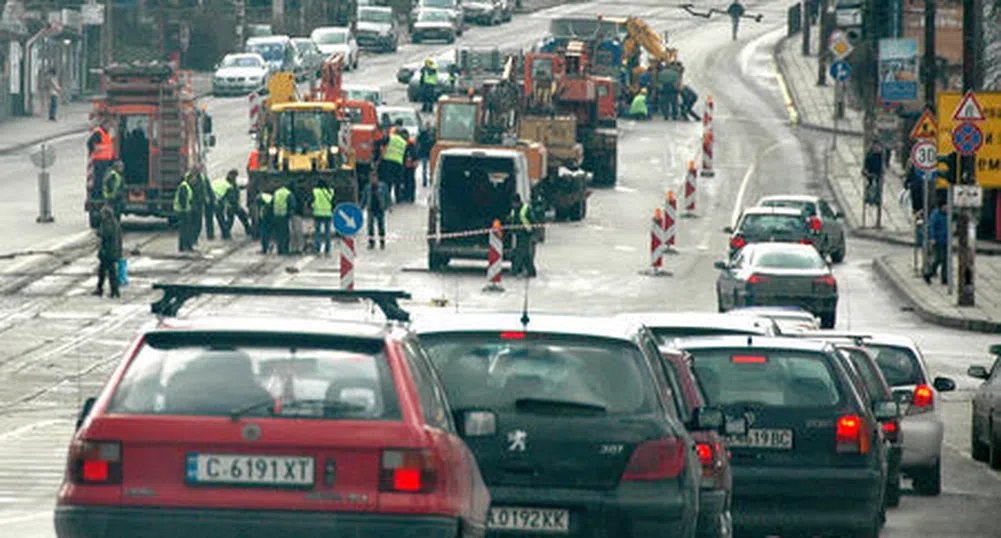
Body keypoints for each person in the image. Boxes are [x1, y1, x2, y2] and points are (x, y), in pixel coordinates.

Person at [212, 170, 251, 239]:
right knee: (239, 217)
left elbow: (237, 187)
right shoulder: (228, 186)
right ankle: (226, 233)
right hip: (227, 204)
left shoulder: (228, 182)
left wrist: (245, 186)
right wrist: (236, 206)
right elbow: (232, 199)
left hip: (222, 202)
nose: (235, 178)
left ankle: (226, 233)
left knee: (231, 219)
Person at [93, 203, 122, 298]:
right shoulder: (115, 222)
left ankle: (112, 291)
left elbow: (105, 234)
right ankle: (109, 290)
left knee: (109, 272)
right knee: (106, 271)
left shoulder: (108, 223)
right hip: (113, 251)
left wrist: (98, 232)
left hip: (108, 252)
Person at [508, 194, 537, 278]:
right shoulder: (514, 210)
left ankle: (517, 271)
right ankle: (530, 272)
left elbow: (533, 221)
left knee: (521, 253)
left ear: (517, 202)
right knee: (524, 254)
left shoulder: (525, 209)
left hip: (526, 234)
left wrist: (534, 233)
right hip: (518, 234)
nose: (513, 205)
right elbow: (513, 221)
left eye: (514, 203)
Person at [360, 172, 390, 250]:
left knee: (381, 226)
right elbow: (364, 198)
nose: (372, 180)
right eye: (371, 178)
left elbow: (387, 197)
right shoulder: (367, 188)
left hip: (380, 209)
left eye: (374, 178)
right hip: (371, 209)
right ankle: (371, 243)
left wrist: (388, 207)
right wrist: (361, 208)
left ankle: (382, 242)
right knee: (370, 227)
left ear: (377, 178)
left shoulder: (383, 186)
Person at [88, 118, 115, 200]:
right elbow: (90, 143)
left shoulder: (106, 134)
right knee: (98, 179)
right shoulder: (98, 133)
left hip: (106, 160)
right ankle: (97, 195)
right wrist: (94, 151)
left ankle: (103, 194)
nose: (109, 127)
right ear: (104, 125)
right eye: (108, 125)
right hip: (99, 160)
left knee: (104, 178)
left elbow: (109, 147)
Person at [923, 199, 948, 285]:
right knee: (938, 258)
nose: (947, 208)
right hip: (938, 240)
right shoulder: (936, 214)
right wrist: (932, 238)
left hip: (946, 240)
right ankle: (929, 273)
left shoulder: (948, 214)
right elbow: (931, 227)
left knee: (946, 260)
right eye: (945, 206)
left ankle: (945, 278)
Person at [380, 126, 407, 203]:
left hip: (387, 161)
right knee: (397, 182)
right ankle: (398, 199)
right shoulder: (404, 142)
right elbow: (404, 155)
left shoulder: (390, 138)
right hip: (398, 163)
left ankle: (387, 198)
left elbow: (382, 144)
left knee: (388, 181)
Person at [173, 172, 196, 252]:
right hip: (183, 212)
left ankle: (184, 247)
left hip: (184, 211)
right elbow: (182, 199)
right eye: (193, 178)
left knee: (185, 230)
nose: (194, 180)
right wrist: (185, 211)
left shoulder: (186, 186)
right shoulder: (184, 186)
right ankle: (185, 247)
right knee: (185, 230)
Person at [311, 179, 335, 256]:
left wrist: (313, 206)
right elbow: (333, 202)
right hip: (328, 214)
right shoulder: (330, 191)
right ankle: (327, 250)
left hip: (317, 214)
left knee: (318, 233)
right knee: (327, 232)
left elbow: (311, 201)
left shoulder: (315, 191)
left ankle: (317, 249)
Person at [272, 183, 296, 255]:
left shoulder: (276, 192)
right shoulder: (289, 194)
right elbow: (292, 204)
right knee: (285, 233)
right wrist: (291, 214)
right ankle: (285, 249)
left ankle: (279, 249)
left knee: (278, 233)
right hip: (284, 216)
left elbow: (272, 202)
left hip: (276, 214)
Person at [417, 120, 435, 187]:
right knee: (425, 168)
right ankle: (426, 181)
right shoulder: (429, 134)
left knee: (429, 168)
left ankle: (429, 180)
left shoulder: (427, 133)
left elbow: (418, 141)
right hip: (426, 152)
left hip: (429, 152)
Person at [403, 131, 419, 202]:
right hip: (406, 165)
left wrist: (414, 160)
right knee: (407, 181)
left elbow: (414, 154)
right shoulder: (406, 143)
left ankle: (411, 196)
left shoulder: (410, 143)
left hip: (410, 166)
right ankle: (408, 196)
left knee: (410, 181)